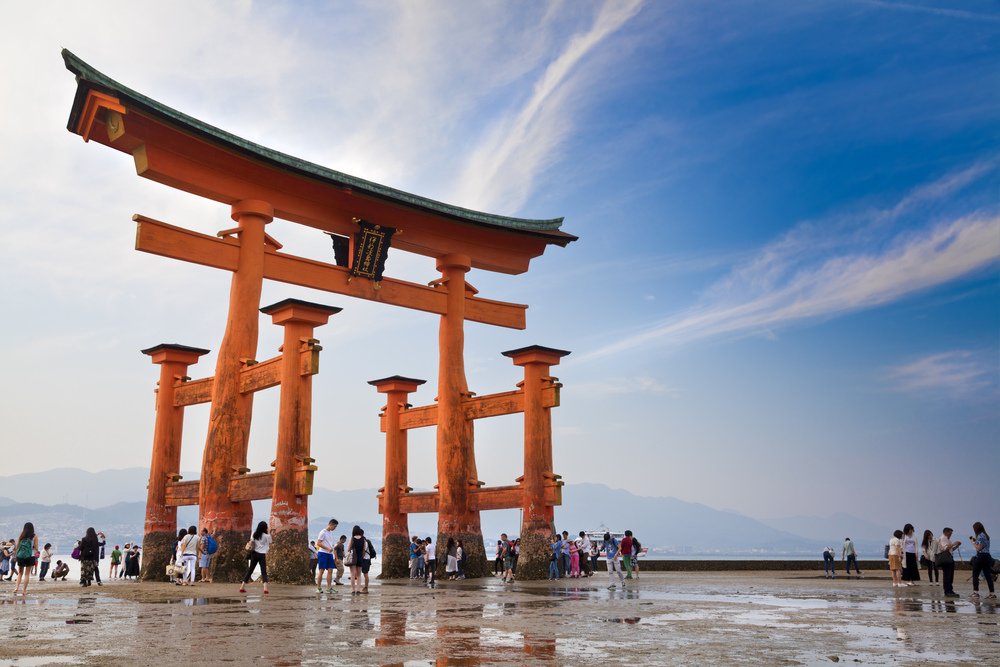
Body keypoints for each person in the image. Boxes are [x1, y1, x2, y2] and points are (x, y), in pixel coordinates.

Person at [240, 521, 271, 595]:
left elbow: (252, 541)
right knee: (263, 571)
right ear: (265, 528)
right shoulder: (266, 536)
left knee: (250, 570)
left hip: (254, 554)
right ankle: (265, 588)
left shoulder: (254, 533)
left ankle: (242, 587)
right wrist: (269, 532)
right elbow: (270, 541)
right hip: (261, 555)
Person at [970, 521, 996, 600]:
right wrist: (976, 541)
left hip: (981, 556)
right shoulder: (986, 535)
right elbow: (983, 545)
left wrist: (973, 542)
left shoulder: (980, 536)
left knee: (975, 574)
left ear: (976, 529)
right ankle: (992, 594)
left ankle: (976, 593)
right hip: (987, 556)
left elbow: (979, 548)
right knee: (988, 575)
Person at [13, 522, 38, 596]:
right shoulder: (34, 536)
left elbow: (17, 546)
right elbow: (36, 548)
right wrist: (34, 549)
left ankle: (16, 588)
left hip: (21, 556)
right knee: (27, 574)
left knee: (20, 573)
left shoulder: (21, 535)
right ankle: (24, 591)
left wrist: (16, 555)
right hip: (30, 556)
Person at [315, 519, 339, 593]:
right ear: (330, 524)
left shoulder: (330, 533)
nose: (335, 528)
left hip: (329, 554)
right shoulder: (323, 532)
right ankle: (318, 588)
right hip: (322, 553)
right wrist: (327, 548)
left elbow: (329, 544)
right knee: (321, 571)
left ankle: (329, 588)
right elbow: (318, 543)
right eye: (334, 526)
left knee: (330, 571)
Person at [937, 528, 961, 597]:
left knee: (950, 576)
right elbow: (945, 548)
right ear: (946, 532)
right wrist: (955, 543)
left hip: (949, 558)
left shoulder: (947, 539)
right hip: (946, 559)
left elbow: (951, 549)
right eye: (950, 533)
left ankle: (950, 590)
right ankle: (947, 591)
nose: (951, 535)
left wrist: (957, 546)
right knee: (947, 576)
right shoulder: (943, 538)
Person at [348, 525, 366, 595]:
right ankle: (358, 590)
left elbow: (348, 549)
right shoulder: (363, 539)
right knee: (359, 575)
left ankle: (353, 590)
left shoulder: (352, 539)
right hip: (360, 558)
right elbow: (364, 550)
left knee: (352, 575)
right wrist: (362, 557)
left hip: (353, 558)